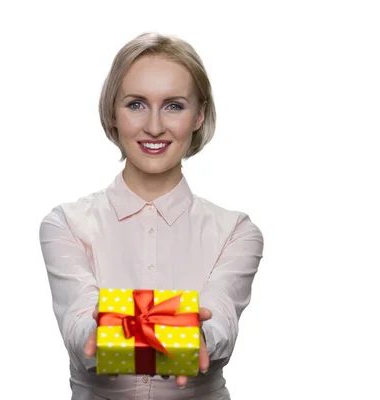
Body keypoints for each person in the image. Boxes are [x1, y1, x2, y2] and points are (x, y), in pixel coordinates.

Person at [39, 32, 264, 400]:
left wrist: (123, 327)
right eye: (136, 104)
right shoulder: (65, 224)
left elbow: (219, 322)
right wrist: (176, 335)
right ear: (113, 112)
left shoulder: (236, 231)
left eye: (174, 105)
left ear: (199, 115)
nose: (155, 126)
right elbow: (81, 331)